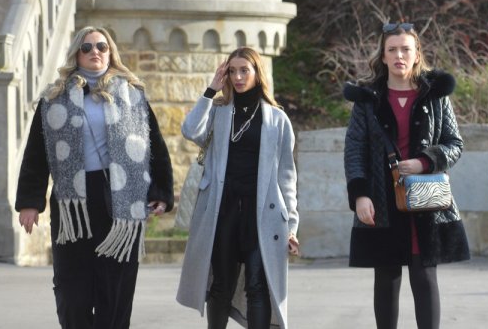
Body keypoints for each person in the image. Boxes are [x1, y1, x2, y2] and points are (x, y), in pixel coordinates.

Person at [15, 26, 175, 328]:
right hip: (73, 203)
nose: (95, 53)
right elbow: (36, 153)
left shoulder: (132, 96)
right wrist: (29, 202)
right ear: (77, 54)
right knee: (70, 289)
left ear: (110, 51)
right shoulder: (54, 98)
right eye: (87, 48)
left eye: (101, 46)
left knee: (115, 288)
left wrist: (160, 193)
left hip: (120, 198)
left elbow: (155, 147)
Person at [343, 23, 469, 329]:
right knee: (386, 278)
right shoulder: (367, 99)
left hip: (424, 198)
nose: (399, 55)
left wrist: (425, 161)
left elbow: (455, 144)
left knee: (424, 276)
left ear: (416, 55)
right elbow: (354, 149)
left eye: (405, 49)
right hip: (381, 198)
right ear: (383, 57)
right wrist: (360, 194)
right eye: (392, 50)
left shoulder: (435, 96)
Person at [176, 46, 300, 328]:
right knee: (221, 284)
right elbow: (190, 130)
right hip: (223, 210)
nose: (239, 76)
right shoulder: (219, 111)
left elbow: (287, 178)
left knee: (257, 285)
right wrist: (210, 90)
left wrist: (292, 224)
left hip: (263, 213)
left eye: (245, 70)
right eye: (233, 71)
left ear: (257, 72)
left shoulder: (277, 119)